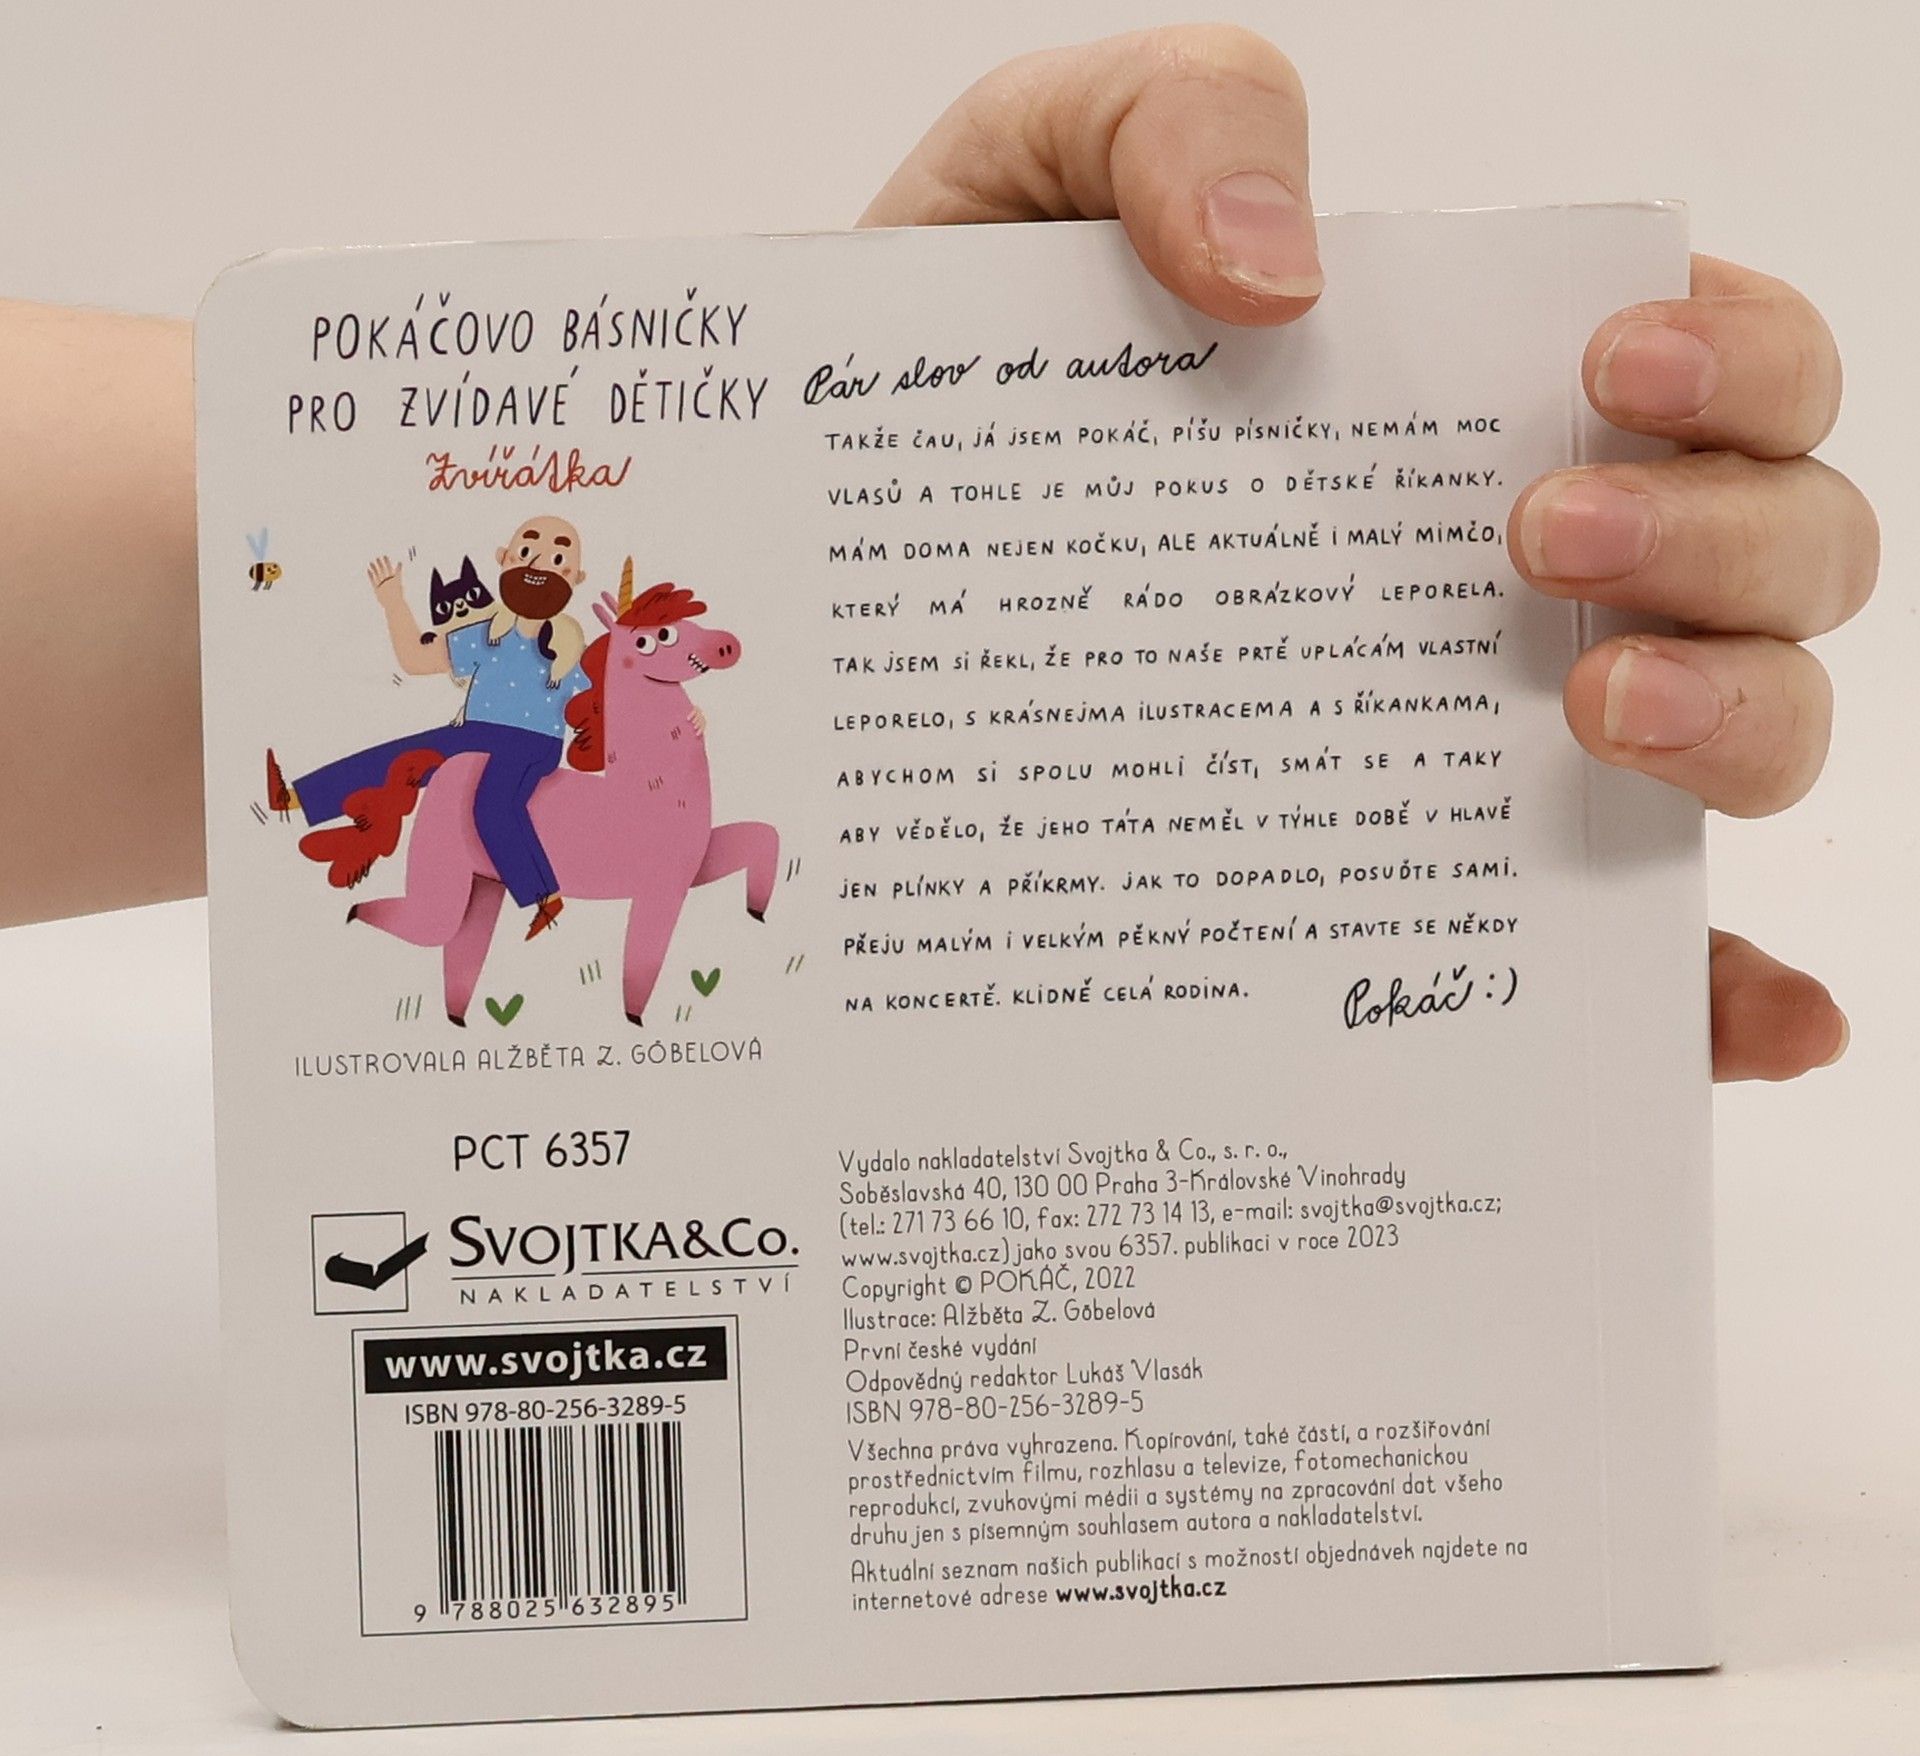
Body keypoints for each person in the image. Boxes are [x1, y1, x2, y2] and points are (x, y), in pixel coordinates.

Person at [0, 24, 1876, 1080]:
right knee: (489, 783)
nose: (558, 547)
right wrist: (372, 601)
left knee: (602, 784)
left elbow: (601, 629)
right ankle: (490, 918)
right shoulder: (511, 646)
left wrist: (880, 427)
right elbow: (427, 661)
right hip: (500, 741)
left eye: (567, 534)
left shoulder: (565, 632)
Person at [268, 516, 594, 940]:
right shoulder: (487, 635)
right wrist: (394, 604)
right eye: (527, 553)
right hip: (476, 730)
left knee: (493, 804)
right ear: (504, 559)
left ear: (576, 578)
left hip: (533, 742)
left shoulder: (570, 649)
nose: (540, 565)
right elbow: (416, 660)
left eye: (558, 560)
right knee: (399, 757)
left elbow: (605, 699)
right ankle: (296, 797)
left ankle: (543, 894)